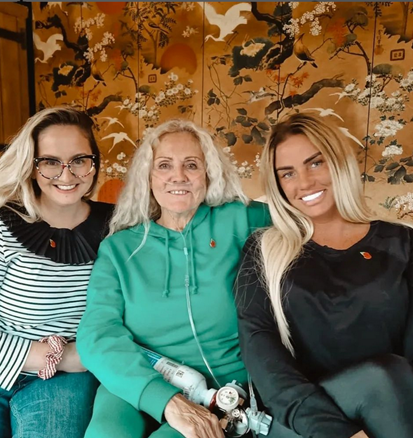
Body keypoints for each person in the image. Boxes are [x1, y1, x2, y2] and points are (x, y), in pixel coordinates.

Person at [76, 118, 272, 438]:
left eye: (191, 165)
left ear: (208, 173)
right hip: (139, 379)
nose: (177, 176)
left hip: (221, 391)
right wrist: (166, 401)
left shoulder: (241, 221)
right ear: (148, 177)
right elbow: (97, 334)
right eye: (164, 165)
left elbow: (307, 224)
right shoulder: (120, 249)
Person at [236, 112, 413, 438]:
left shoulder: (401, 243)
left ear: (338, 162)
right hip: (299, 422)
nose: (304, 182)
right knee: (380, 378)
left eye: (315, 163)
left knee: (392, 377)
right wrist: (337, 432)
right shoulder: (263, 251)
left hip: (394, 411)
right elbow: (261, 356)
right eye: (287, 173)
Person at [0, 107, 114, 438]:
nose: (66, 176)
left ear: (94, 163)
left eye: (79, 160)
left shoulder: (119, 228)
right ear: (31, 166)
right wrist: (59, 356)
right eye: (50, 162)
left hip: (62, 380)